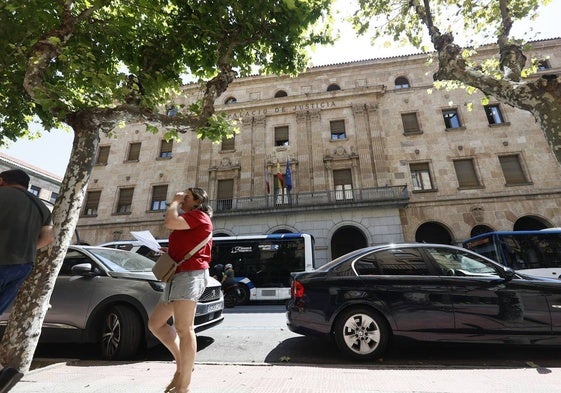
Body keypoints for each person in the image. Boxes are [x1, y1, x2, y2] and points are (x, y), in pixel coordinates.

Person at [148, 187, 213, 393]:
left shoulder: (199, 216)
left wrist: (173, 202)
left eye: (187, 198)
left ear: (197, 201)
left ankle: (183, 387)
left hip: (190, 275)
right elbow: (186, 243)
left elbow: (169, 222)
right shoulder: (192, 219)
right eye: (182, 197)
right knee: (156, 324)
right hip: (177, 275)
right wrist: (169, 251)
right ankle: (182, 365)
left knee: (185, 329)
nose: (182, 200)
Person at [0, 169, 55, 392]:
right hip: (21, 265)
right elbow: (48, 238)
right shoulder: (42, 206)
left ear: (2, 181)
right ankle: (3, 372)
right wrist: (27, 249)